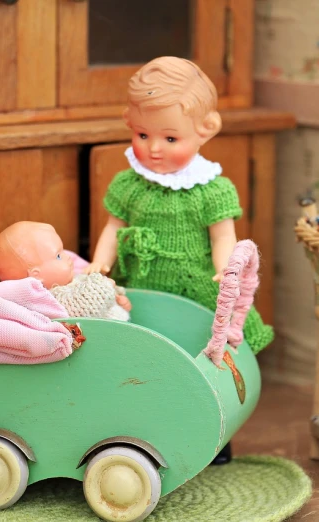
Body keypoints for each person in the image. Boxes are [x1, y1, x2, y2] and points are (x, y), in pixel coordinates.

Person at [86, 56, 275, 464]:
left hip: (196, 291)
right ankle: (142, 429)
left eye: (170, 139)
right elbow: (114, 227)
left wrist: (226, 269)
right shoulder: (129, 184)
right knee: (142, 357)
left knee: (207, 360)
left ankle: (215, 435)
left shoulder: (211, 190)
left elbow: (223, 235)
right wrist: (100, 263)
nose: (154, 148)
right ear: (128, 123)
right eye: (142, 134)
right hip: (142, 288)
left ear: (205, 130)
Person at [0, 221, 131, 321]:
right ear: (36, 276)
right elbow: (86, 306)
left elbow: (89, 288)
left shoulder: (70, 280)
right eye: (58, 256)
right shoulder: (51, 300)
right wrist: (105, 286)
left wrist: (117, 298)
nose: (68, 257)